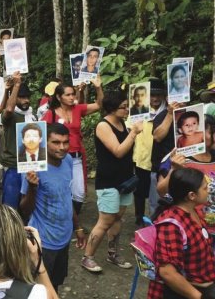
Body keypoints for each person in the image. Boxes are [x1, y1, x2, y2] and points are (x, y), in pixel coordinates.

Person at [19, 123, 86, 293]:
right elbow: (24, 209)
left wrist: (77, 227)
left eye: (65, 142)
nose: (62, 147)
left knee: (55, 283)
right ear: (43, 143)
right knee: (39, 288)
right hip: (43, 241)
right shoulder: (33, 168)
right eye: (56, 142)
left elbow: (66, 195)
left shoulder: (69, 161)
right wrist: (32, 188)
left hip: (63, 238)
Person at [81, 91, 143, 273]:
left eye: (127, 106)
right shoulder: (103, 125)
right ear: (112, 107)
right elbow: (118, 151)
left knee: (117, 218)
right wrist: (133, 133)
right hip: (108, 180)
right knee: (105, 220)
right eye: (123, 106)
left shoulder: (122, 122)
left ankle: (112, 253)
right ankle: (88, 256)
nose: (126, 110)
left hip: (125, 179)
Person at [147, 168, 215, 299]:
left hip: (205, 286)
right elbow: (167, 273)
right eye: (205, 188)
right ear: (191, 196)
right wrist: (198, 296)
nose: (209, 191)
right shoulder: (171, 225)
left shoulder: (194, 212)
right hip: (189, 292)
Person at [41, 78, 103, 215]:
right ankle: (65, 221)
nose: (71, 97)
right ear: (58, 97)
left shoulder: (78, 109)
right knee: (62, 190)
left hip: (76, 157)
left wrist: (98, 87)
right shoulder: (50, 113)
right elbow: (39, 133)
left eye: (73, 94)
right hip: (59, 159)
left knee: (79, 193)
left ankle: (72, 220)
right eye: (67, 95)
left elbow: (99, 104)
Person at [133, 78, 167, 227]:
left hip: (161, 159)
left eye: (158, 95)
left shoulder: (169, 111)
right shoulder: (139, 110)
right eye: (152, 95)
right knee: (140, 191)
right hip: (142, 157)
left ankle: (158, 219)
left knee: (160, 192)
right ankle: (139, 216)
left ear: (164, 95)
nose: (155, 98)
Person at [0, 73, 36, 208]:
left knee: (28, 203)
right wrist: (16, 85)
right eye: (21, 97)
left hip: (30, 166)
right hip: (13, 166)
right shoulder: (10, 116)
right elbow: (9, 108)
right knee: (10, 205)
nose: (26, 100)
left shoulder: (33, 116)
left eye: (27, 97)